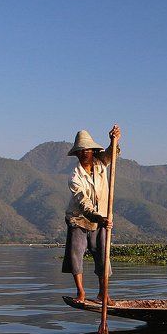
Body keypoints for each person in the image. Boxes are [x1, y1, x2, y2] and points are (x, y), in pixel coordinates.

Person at [62, 125, 121, 304]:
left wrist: (114, 140)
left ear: (92, 150)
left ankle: (103, 293)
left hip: (101, 219)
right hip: (79, 219)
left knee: (103, 256)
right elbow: (83, 201)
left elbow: (112, 154)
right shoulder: (75, 176)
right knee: (75, 255)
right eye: (81, 151)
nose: (85, 153)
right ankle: (81, 292)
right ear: (78, 154)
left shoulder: (100, 162)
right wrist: (96, 217)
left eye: (87, 149)